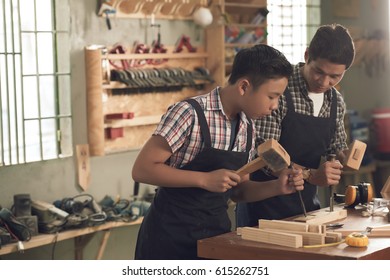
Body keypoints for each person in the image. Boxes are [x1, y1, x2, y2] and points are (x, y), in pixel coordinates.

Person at [132, 44, 303, 260]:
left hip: (215, 237)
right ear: (244, 87)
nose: (275, 106)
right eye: (272, 96)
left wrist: (277, 187)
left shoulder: (247, 127)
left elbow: (239, 191)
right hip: (169, 239)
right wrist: (204, 179)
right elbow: (142, 169)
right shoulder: (189, 113)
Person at [236, 23, 356, 226]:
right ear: (307, 55)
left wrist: (342, 158)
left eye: (335, 76)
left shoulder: (336, 101)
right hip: (263, 206)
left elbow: (334, 149)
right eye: (319, 71)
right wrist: (312, 175)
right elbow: (265, 154)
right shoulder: (279, 89)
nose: (324, 82)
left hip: (306, 207)